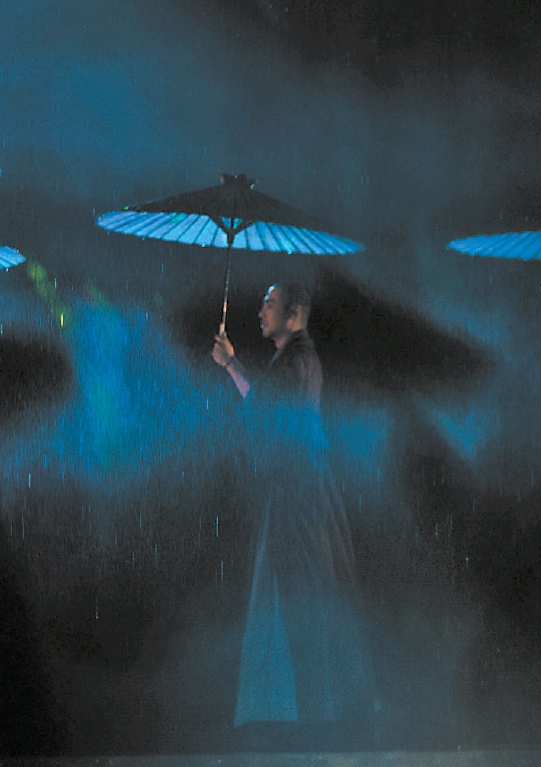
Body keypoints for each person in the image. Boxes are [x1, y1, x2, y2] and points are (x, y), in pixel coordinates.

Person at [213, 283, 374, 743]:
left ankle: (320, 721)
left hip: (301, 494)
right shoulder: (293, 358)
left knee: (304, 598)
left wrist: (231, 364)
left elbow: (267, 409)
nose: (261, 311)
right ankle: (314, 717)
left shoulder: (299, 358)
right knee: (299, 598)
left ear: (294, 313)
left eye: (270, 304)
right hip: (299, 489)